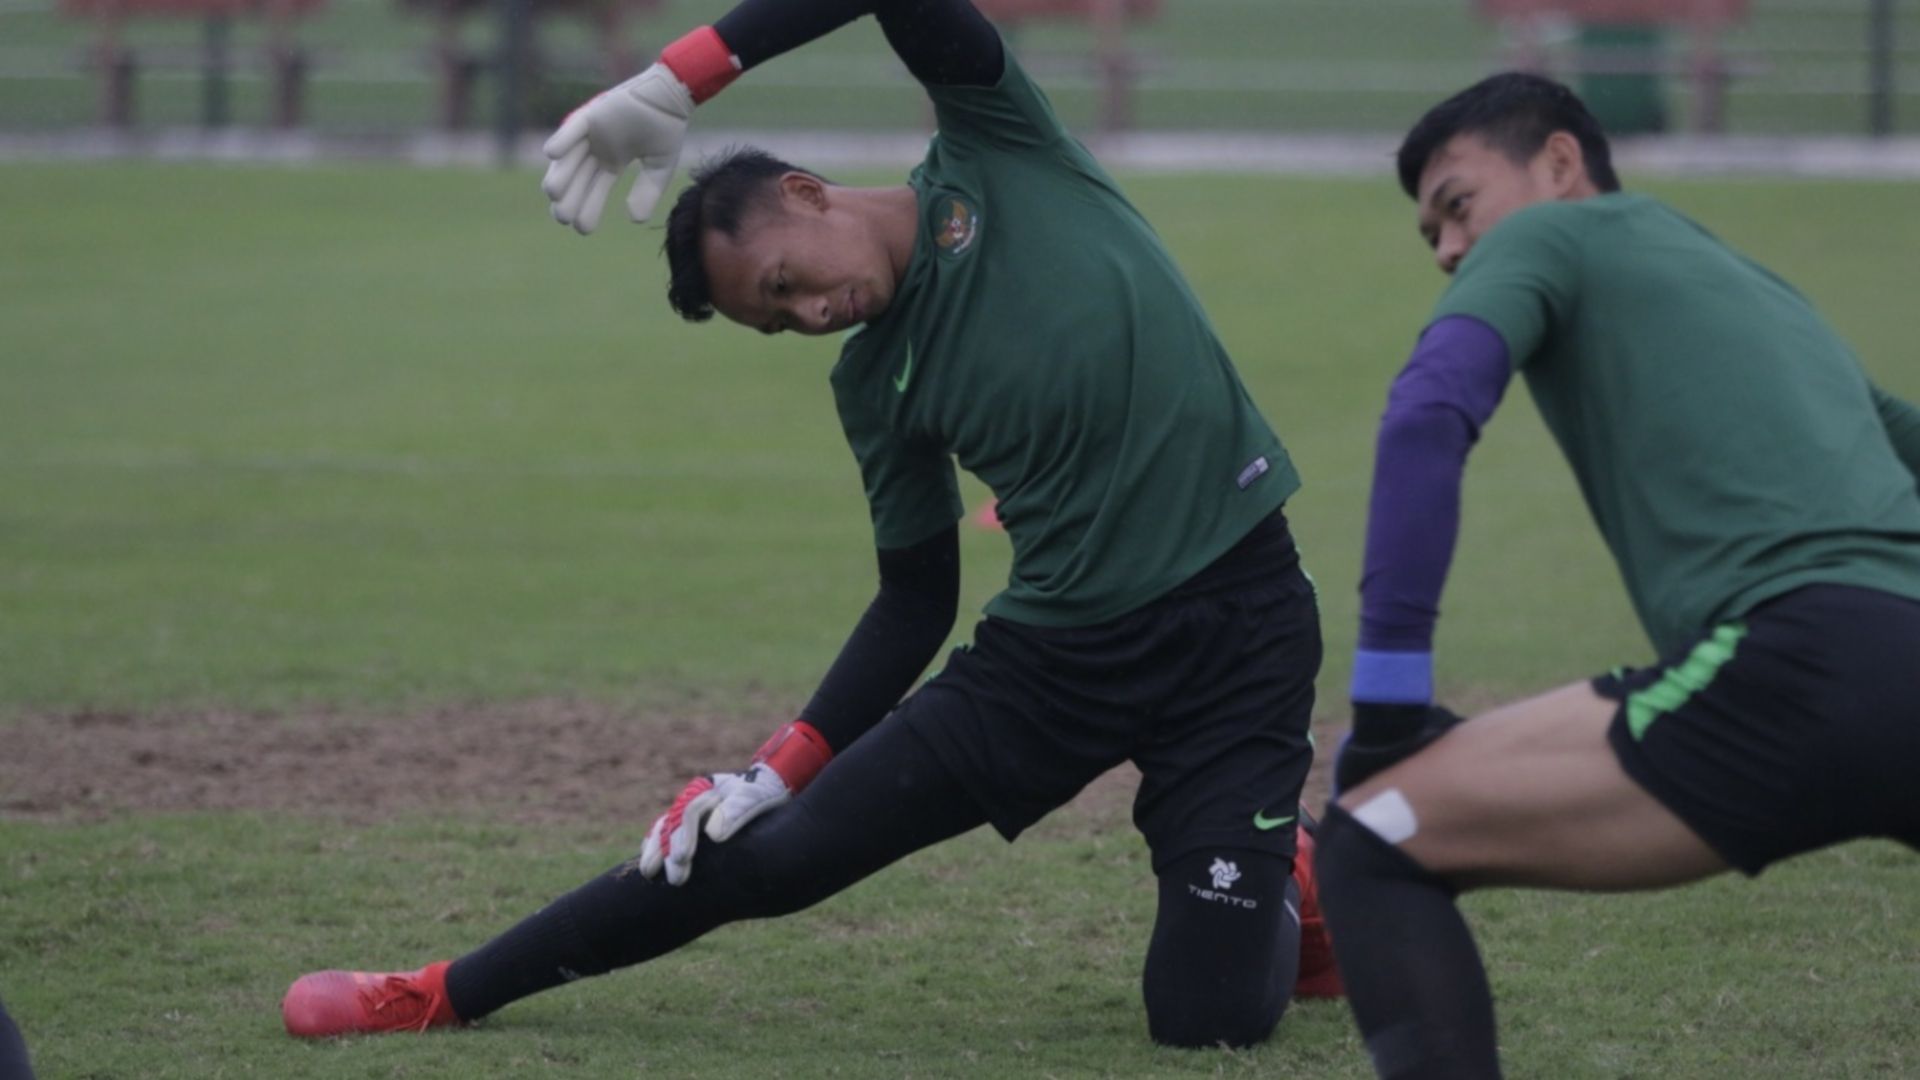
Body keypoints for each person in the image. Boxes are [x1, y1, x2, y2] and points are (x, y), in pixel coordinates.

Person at [281, 0, 1340, 1048]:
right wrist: (779, 767)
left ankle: (1289, 872)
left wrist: (680, 75)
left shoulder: (997, 147)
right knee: (774, 856)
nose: (809, 314)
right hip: (1051, 670)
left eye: (786, 282)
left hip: (1238, 632)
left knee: (1206, 1023)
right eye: (776, 322)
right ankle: (438, 992)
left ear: (806, 193)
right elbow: (917, 594)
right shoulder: (874, 384)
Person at [1315, 72, 1920, 1079]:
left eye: (1457, 206)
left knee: (1372, 838)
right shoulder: (1750, 280)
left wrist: (1386, 713)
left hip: (1795, 663)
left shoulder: (1544, 236)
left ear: (1559, 163)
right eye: (1431, 238)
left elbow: (1425, 417)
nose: (1453, 249)